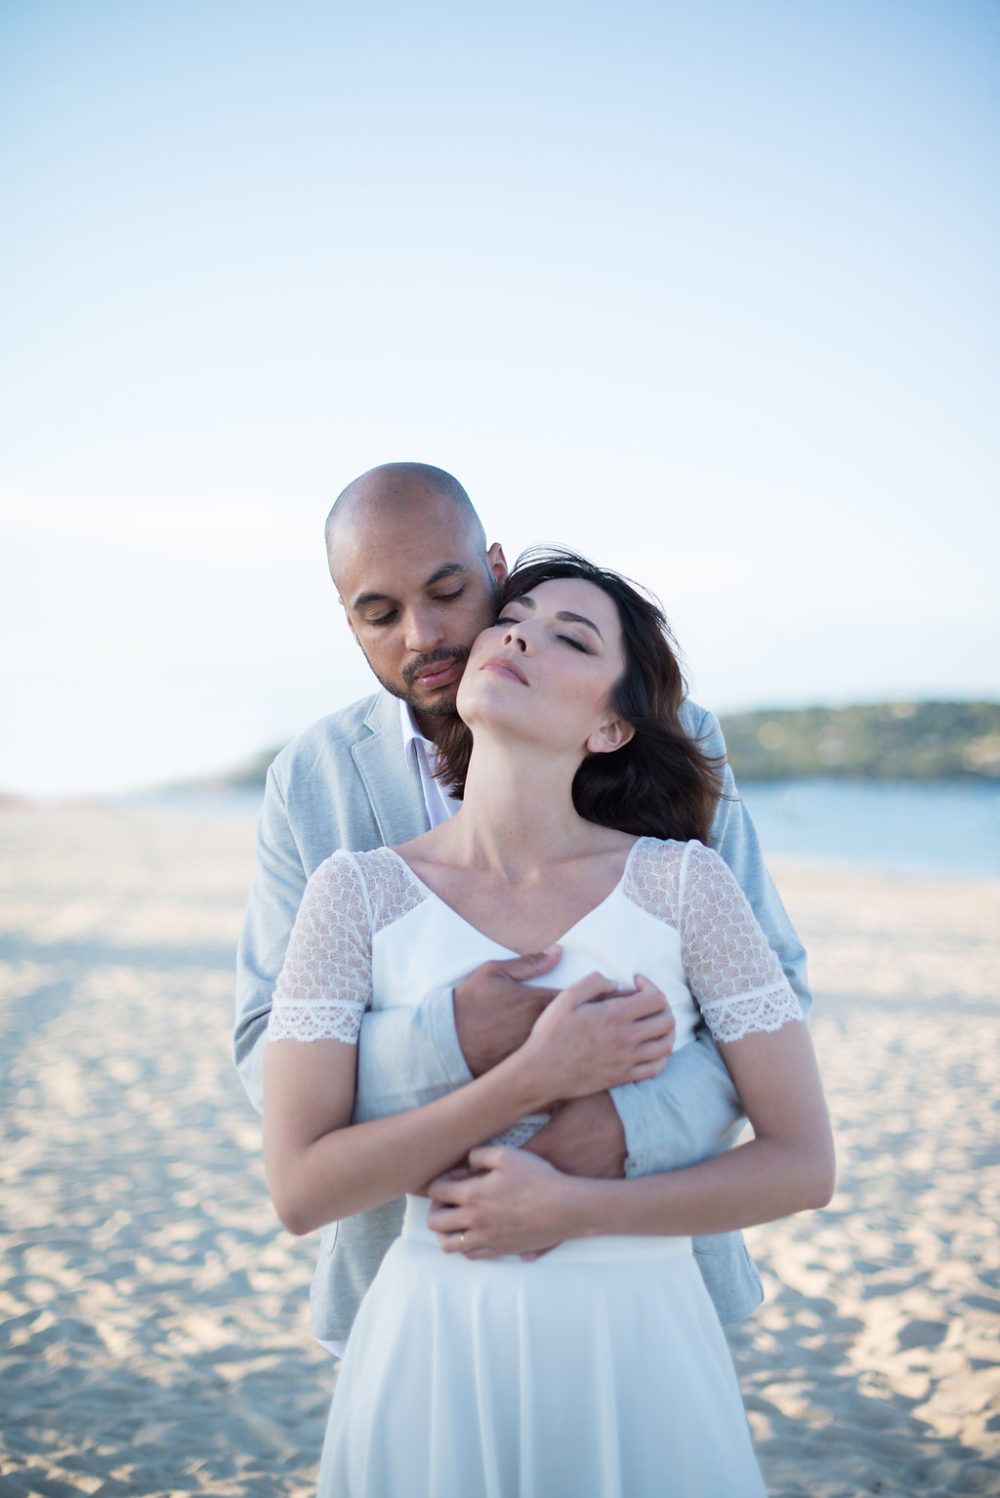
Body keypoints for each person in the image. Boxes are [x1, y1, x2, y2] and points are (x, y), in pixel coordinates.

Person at [262, 550, 835, 1496]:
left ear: (612, 724)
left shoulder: (685, 884)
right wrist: (530, 1077)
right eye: (514, 616)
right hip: (434, 1333)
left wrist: (576, 1209)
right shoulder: (354, 893)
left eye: (571, 637)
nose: (521, 632)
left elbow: (803, 1163)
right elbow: (301, 1189)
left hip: (639, 1332)